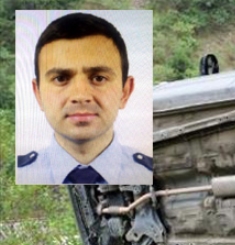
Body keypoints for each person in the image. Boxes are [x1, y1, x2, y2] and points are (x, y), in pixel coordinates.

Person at [16, 12, 152, 185]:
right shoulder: (21, 175)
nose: (80, 96)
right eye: (60, 79)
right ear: (38, 94)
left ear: (125, 92)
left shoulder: (153, 173)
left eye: (98, 78)